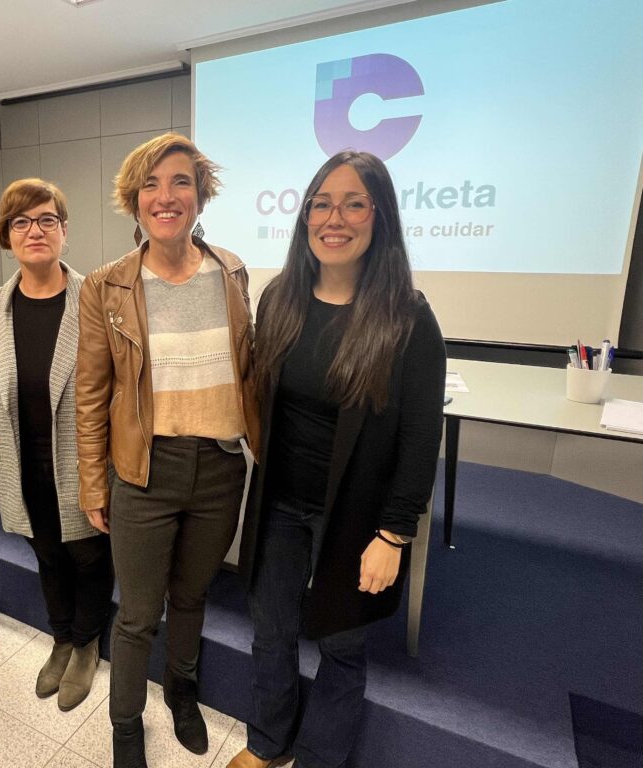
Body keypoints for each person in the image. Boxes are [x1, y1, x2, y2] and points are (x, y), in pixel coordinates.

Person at [227, 151, 446, 768]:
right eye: (321, 204)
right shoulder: (281, 298)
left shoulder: (408, 318)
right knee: (271, 629)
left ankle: (321, 757)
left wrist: (394, 535)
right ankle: (268, 742)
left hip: (355, 514)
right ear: (305, 217)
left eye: (354, 204)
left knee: (341, 643)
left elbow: (420, 439)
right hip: (279, 502)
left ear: (381, 216)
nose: (334, 218)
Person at [76, 133, 260, 767]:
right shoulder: (106, 286)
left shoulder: (232, 272)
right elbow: (91, 395)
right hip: (144, 472)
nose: (165, 196)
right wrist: (94, 484)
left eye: (181, 181)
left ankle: (182, 691)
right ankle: (126, 725)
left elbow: (249, 369)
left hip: (220, 467)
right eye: (150, 185)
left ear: (200, 195)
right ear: (134, 202)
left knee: (191, 596)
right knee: (136, 615)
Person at [0, 179, 114, 711]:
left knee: (88, 556)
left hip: (81, 464)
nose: (34, 231)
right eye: (21, 222)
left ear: (64, 230)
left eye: (46, 220)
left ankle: (86, 644)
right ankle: (61, 638)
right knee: (47, 555)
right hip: (22, 462)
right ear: (7, 235)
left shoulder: (95, 299)